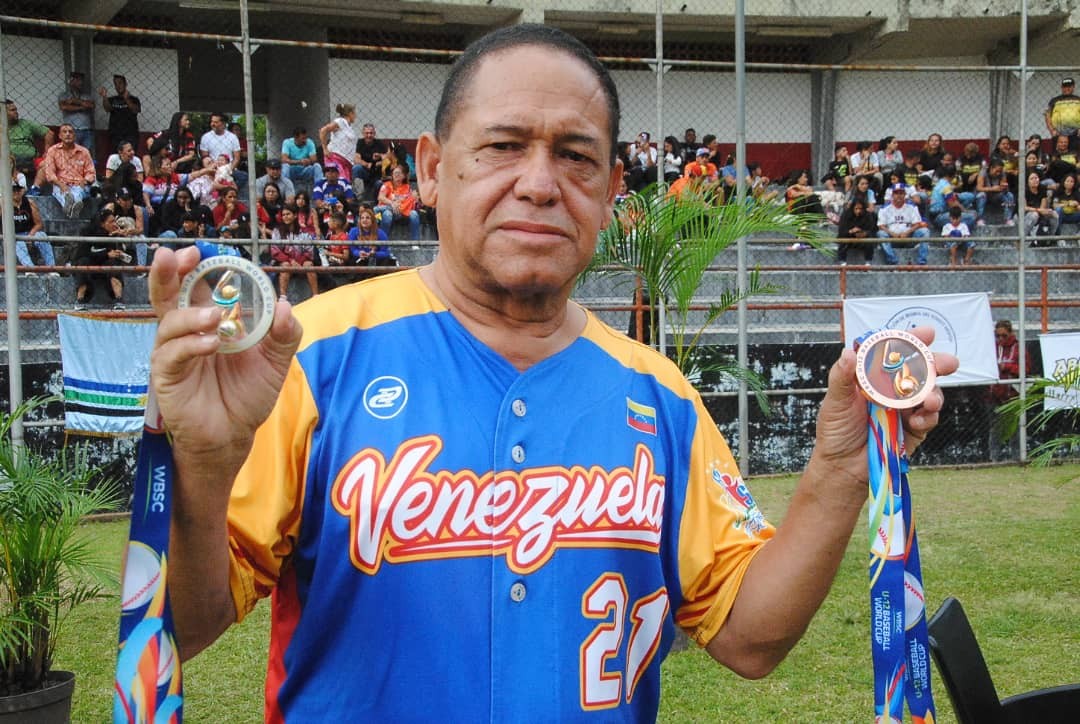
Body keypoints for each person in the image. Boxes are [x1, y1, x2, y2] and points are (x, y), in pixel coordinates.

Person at [146, 25, 955, 721]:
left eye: (574, 157)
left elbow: (750, 636)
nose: (538, 183)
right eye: (502, 147)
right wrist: (204, 469)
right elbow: (180, 622)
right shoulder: (314, 354)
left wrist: (844, 469)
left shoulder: (657, 395)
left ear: (608, 194)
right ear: (431, 168)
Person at [74, 206, 133, 310]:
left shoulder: (112, 235)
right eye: (111, 222)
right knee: (83, 262)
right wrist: (106, 254)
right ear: (102, 224)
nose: (115, 224)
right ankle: (80, 300)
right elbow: (83, 253)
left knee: (114, 264)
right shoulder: (87, 232)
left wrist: (115, 249)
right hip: (89, 262)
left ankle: (118, 299)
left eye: (114, 221)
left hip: (105, 265)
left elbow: (110, 253)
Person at [40, 123, 96, 218]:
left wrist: (85, 180)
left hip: (79, 184)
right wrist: (60, 184)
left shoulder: (84, 151)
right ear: (60, 136)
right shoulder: (53, 151)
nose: (68, 134)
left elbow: (91, 172)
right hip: (61, 183)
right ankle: (73, 207)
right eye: (64, 132)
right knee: (64, 193)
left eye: (70, 132)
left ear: (74, 135)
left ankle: (71, 207)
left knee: (78, 191)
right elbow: (50, 172)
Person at [876, 184, 930, 264]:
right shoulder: (884, 208)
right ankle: (892, 261)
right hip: (892, 239)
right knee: (881, 234)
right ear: (892, 195)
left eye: (901, 193)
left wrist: (906, 233)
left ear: (905, 195)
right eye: (896, 193)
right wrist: (893, 234)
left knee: (925, 231)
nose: (899, 196)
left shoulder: (912, 206)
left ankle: (922, 262)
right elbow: (881, 226)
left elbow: (917, 224)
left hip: (909, 238)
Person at [11, 181, 56, 272]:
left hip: (29, 232)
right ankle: (30, 269)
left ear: (22, 190)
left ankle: (51, 268)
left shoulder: (29, 203)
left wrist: (30, 235)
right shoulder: (3, 204)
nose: (16, 192)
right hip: (13, 235)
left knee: (42, 236)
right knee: (19, 244)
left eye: (18, 190)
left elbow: (39, 223)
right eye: (13, 190)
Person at [5, 99, 54, 181]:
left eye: (16, 109)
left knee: (46, 164)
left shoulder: (26, 124)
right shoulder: (2, 127)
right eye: (12, 110)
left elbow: (49, 133)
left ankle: (35, 188)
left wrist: (47, 152)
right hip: (8, 160)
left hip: (30, 159)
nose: (16, 112)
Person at [989, 320, 1031, 405]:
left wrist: (1007, 367)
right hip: (994, 395)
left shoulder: (1018, 348)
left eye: (1004, 336)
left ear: (1011, 333)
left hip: (1013, 394)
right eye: (998, 336)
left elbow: (1026, 370)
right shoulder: (993, 348)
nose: (1001, 338)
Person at [374, 163, 420, 239]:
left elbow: (412, 202)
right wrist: (392, 204)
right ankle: (382, 241)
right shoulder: (387, 184)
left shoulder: (407, 187)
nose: (397, 175)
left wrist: (416, 199)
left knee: (414, 214)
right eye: (395, 173)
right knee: (387, 214)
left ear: (404, 176)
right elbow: (380, 197)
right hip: (388, 210)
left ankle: (415, 243)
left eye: (399, 173)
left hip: (402, 211)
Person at [98, 74, 140, 154]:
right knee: (116, 156)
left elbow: (135, 110)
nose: (118, 86)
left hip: (130, 134)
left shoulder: (134, 99)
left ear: (125, 84)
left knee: (130, 156)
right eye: (116, 84)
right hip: (115, 134)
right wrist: (104, 96)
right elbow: (107, 108)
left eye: (120, 83)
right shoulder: (112, 99)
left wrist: (126, 99)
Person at [58, 71, 95, 155]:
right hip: (71, 130)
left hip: (87, 130)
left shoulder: (87, 96)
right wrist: (82, 106)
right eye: (77, 80)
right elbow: (64, 107)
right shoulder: (64, 95)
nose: (80, 83)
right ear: (71, 81)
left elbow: (91, 105)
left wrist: (74, 101)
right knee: (72, 153)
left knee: (86, 154)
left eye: (81, 80)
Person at [319, 103, 358, 179]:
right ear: (350, 113)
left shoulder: (348, 127)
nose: (355, 116)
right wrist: (325, 149)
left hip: (346, 161)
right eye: (354, 113)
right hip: (335, 158)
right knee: (339, 182)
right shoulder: (340, 121)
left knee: (345, 185)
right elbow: (323, 130)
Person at [1022, 170, 1060, 244]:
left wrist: (1047, 211)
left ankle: (1050, 238)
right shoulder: (1023, 191)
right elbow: (1024, 208)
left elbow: (1043, 207)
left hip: (1039, 213)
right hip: (1025, 216)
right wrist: (1038, 210)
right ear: (1027, 181)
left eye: (1036, 178)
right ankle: (1023, 237)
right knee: (1034, 215)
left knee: (1054, 214)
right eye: (1032, 178)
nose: (1035, 180)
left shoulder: (1042, 189)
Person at [352, 122, 387, 202]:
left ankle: (378, 200)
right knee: (356, 168)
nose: (369, 135)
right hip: (364, 171)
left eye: (371, 133)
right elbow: (356, 159)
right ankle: (359, 197)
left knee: (379, 183)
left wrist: (380, 157)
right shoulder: (359, 143)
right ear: (363, 133)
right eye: (367, 133)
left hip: (377, 173)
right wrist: (367, 164)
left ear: (374, 133)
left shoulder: (379, 144)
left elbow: (387, 158)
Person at [199, 113, 242, 178]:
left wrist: (228, 170)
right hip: (212, 169)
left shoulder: (233, 137)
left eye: (215, 122)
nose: (212, 124)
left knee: (244, 177)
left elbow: (237, 158)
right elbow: (204, 158)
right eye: (212, 122)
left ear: (223, 124)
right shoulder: (205, 137)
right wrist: (211, 169)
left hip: (229, 169)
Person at [975, 158, 1016, 225]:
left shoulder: (1002, 173)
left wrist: (1004, 187)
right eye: (996, 171)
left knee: (1010, 195)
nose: (998, 173)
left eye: (1000, 171)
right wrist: (992, 189)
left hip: (997, 195)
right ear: (991, 168)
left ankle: (1008, 218)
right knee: (981, 195)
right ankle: (980, 218)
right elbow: (979, 188)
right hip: (986, 194)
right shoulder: (983, 172)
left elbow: (1003, 185)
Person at [835, 198, 876, 265]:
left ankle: (868, 262)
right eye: (856, 209)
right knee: (843, 241)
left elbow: (872, 230)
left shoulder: (867, 215)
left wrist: (864, 233)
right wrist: (851, 231)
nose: (858, 211)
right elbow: (841, 232)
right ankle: (842, 262)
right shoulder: (846, 215)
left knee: (869, 240)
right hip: (849, 238)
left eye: (860, 209)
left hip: (862, 240)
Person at [1044, 77, 1080, 148]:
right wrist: (1052, 130)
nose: (1067, 88)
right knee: (1058, 156)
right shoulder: (1054, 100)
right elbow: (1047, 115)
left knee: (1075, 155)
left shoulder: (1078, 99)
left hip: (1076, 134)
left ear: (1073, 87)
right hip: (1058, 134)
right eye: (1065, 86)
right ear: (1061, 87)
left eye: (1069, 86)